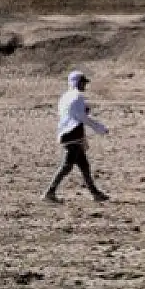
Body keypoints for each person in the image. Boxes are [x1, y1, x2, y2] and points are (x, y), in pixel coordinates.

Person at [45, 70, 110, 202]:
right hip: (73, 134)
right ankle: (49, 192)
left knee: (84, 165)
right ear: (76, 82)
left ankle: (95, 193)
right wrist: (99, 128)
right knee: (67, 166)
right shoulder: (77, 97)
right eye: (82, 82)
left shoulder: (65, 96)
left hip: (69, 133)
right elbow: (82, 117)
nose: (84, 85)